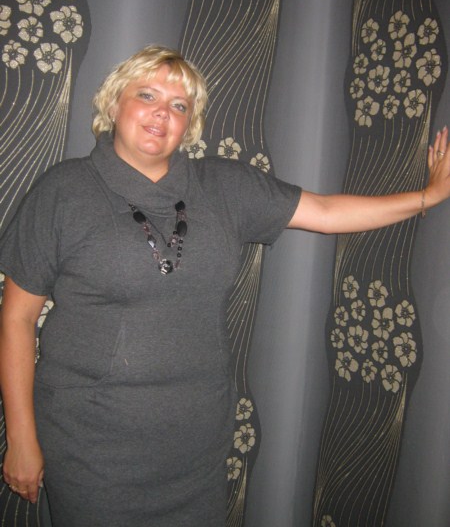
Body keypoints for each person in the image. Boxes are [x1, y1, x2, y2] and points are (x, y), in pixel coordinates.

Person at [0, 45, 449, 527]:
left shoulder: (225, 188)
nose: (162, 113)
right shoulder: (63, 192)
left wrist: (429, 195)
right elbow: (17, 319)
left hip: (195, 444)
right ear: (113, 104)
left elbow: (325, 212)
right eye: (146, 95)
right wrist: (22, 439)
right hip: (90, 443)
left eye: (179, 105)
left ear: (189, 124)